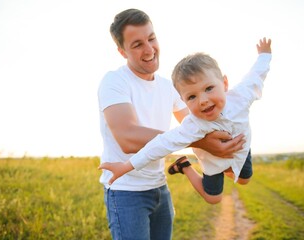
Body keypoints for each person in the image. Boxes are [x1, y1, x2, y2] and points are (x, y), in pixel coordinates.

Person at [98, 8, 245, 240]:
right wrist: (203, 143)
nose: (149, 49)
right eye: (137, 44)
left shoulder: (169, 86)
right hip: (126, 192)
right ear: (121, 51)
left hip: (159, 188)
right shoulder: (114, 82)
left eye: (151, 38)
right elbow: (127, 137)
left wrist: (226, 150)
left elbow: (199, 126)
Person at [99, 37, 272, 205]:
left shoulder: (240, 97)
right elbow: (159, 145)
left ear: (224, 83)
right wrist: (126, 167)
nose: (203, 100)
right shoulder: (193, 125)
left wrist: (264, 55)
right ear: (182, 99)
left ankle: (230, 166)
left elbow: (256, 76)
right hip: (212, 161)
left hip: (241, 146)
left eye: (209, 88)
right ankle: (185, 166)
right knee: (213, 199)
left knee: (244, 180)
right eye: (191, 97)